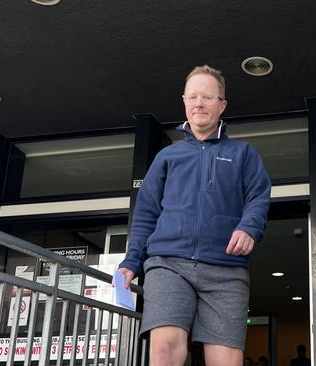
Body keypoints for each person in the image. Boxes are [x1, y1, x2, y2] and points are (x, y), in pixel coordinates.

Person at [117, 65, 271, 366]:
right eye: (193, 97)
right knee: (163, 353)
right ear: (185, 102)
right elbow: (146, 213)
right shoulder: (166, 157)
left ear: (222, 104)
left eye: (208, 97)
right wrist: (132, 261)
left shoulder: (243, 153)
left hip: (226, 269)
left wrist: (249, 228)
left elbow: (258, 196)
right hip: (168, 263)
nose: (199, 103)